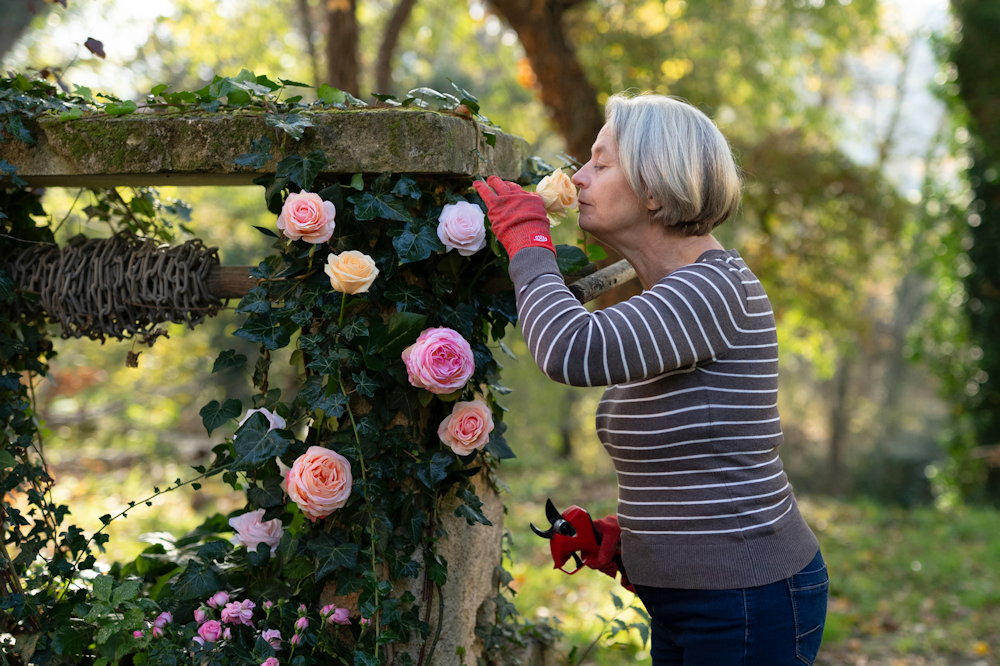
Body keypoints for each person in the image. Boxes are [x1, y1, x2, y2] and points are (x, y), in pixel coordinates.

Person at [474, 93, 829, 666]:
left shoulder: (712, 288)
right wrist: (637, 539)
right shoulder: (670, 296)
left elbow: (569, 350)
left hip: (745, 597)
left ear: (656, 188)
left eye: (600, 162)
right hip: (697, 596)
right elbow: (699, 456)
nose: (578, 177)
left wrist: (528, 241)